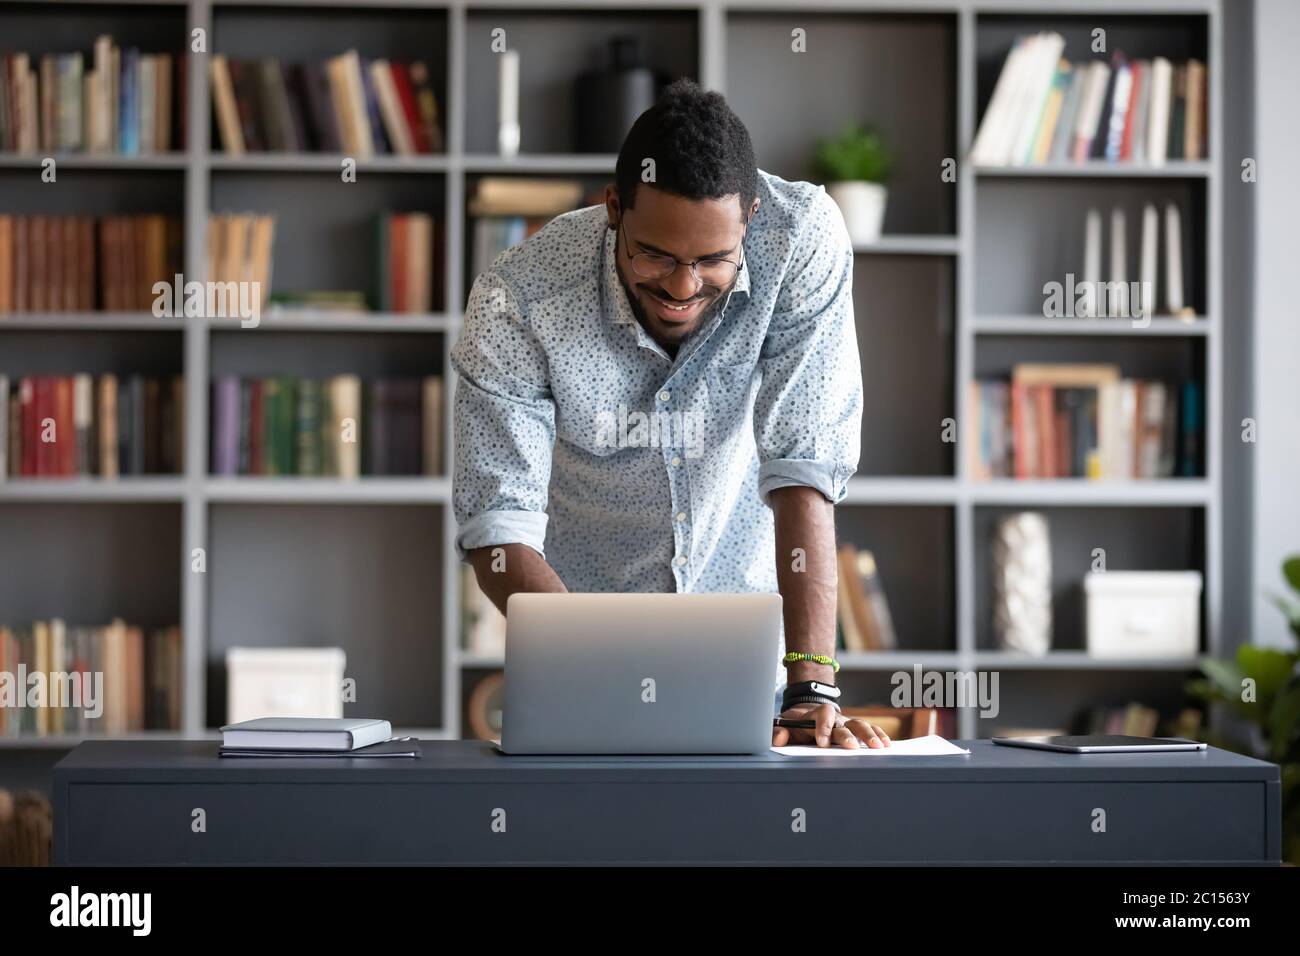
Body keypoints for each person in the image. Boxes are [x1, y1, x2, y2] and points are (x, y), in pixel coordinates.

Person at [452, 78, 890, 750]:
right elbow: (498, 528)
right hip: (583, 681)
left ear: (749, 218)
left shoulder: (800, 240)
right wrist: (605, 672)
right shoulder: (518, 299)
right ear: (614, 207)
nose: (683, 287)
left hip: (752, 684)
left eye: (712, 260)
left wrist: (813, 685)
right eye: (654, 254)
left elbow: (804, 465)